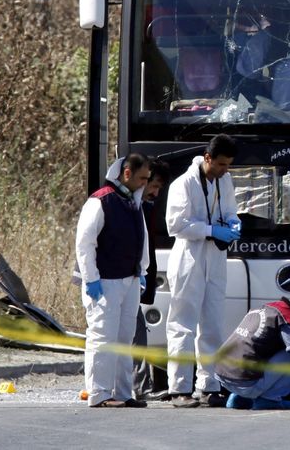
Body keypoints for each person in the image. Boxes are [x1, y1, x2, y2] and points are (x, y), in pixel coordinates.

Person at [165, 135, 241, 407]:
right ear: (207, 158)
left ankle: (209, 385)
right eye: (221, 164)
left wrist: (233, 224)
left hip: (216, 259)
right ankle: (179, 388)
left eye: (228, 165)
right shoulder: (183, 184)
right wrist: (210, 230)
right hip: (190, 258)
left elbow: (231, 211)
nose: (225, 169)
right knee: (183, 324)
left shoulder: (225, 180)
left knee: (212, 324)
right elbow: (175, 226)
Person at [75, 154, 151, 408]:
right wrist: (91, 279)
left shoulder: (132, 202)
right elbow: (85, 243)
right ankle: (98, 393)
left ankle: (122, 392)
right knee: (102, 337)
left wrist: (141, 270)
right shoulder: (101, 201)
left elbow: (142, 239)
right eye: (142, 178)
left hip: (129, 279)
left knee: (124, 337)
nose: (145, 183)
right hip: (105, 282)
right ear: (127, 174)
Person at [216, 289, 290, 410]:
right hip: (246, 383)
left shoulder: (266, 309)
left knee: (269, 349)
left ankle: (239, 398)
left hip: (223, 375)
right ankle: (269, 400)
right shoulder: (289, 319)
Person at [133, 159, 171, 400]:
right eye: (152, 185)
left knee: (137, 333)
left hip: (132, 278)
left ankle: (138, 386)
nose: (155, 193)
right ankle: (139, 387)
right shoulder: (121, 204)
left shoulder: (143, 206)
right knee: (134, 333)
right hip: (118, 278)